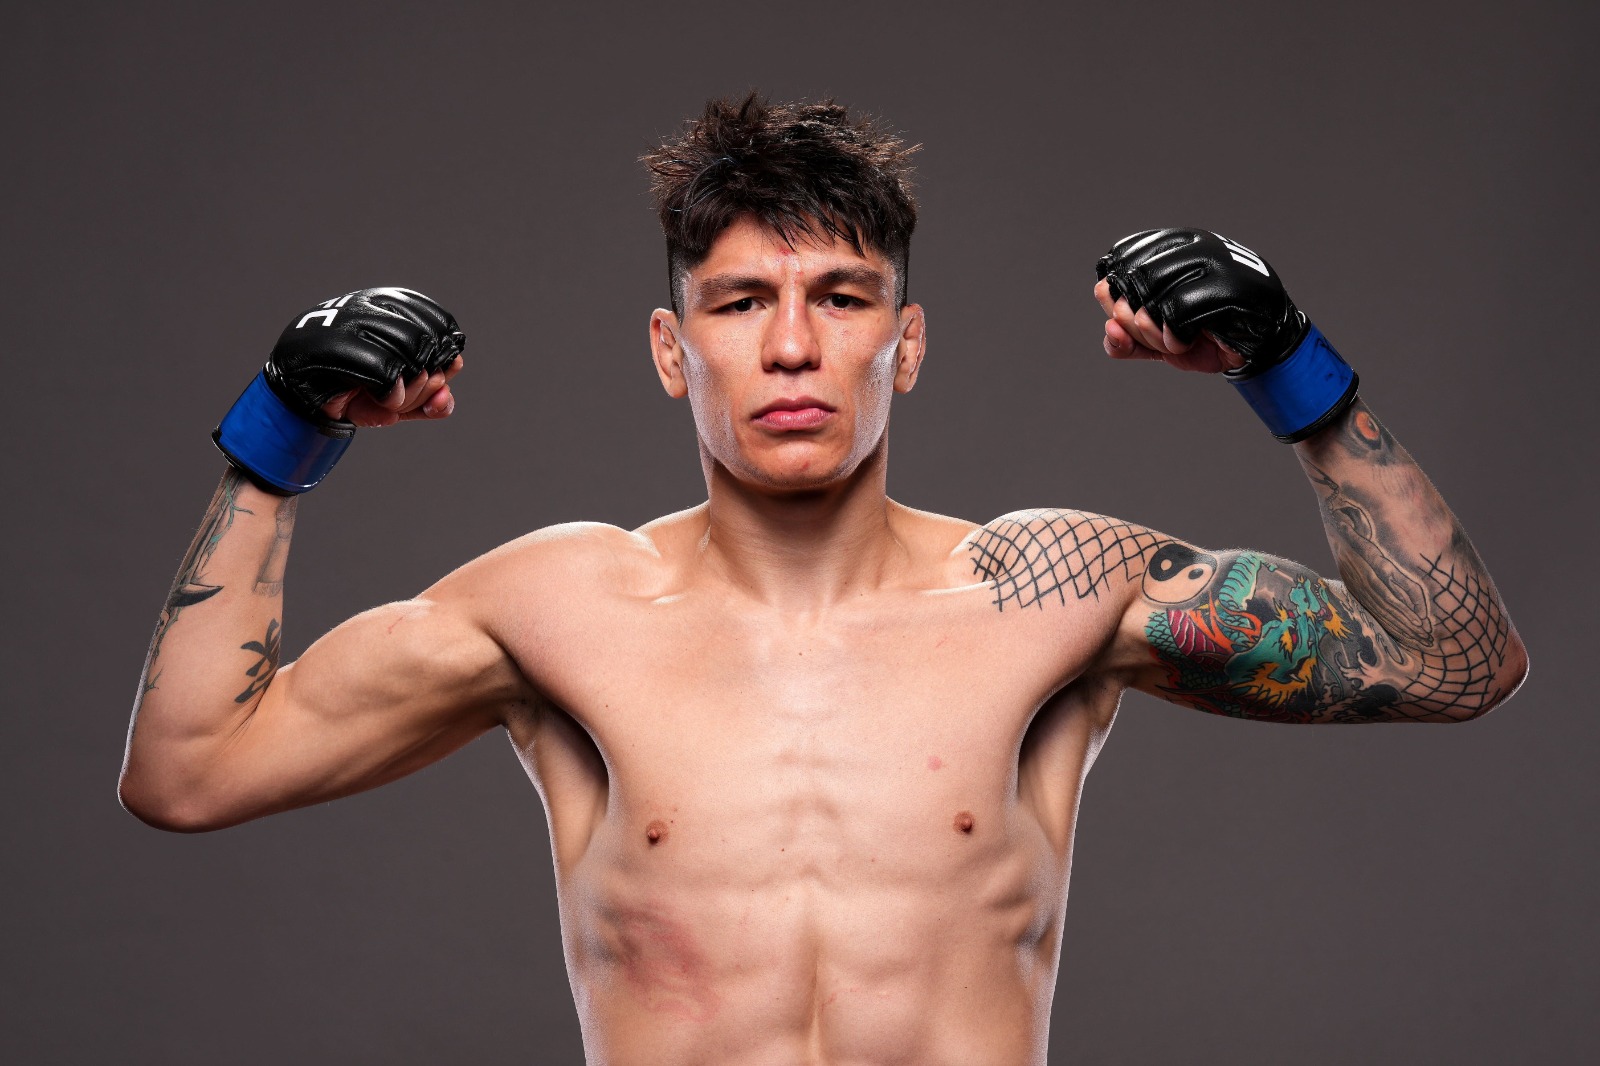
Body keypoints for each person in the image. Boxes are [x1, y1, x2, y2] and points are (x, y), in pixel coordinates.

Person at [119, 94, 1527, 1065]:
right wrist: (280, 435)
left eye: (841, 298)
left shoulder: (1051, 587)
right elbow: (187, 770)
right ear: (672, 350)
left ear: (904, 344)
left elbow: (1454, 661)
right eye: (740, 304)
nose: (792, 347)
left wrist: (1293, 372)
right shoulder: (558, 606)